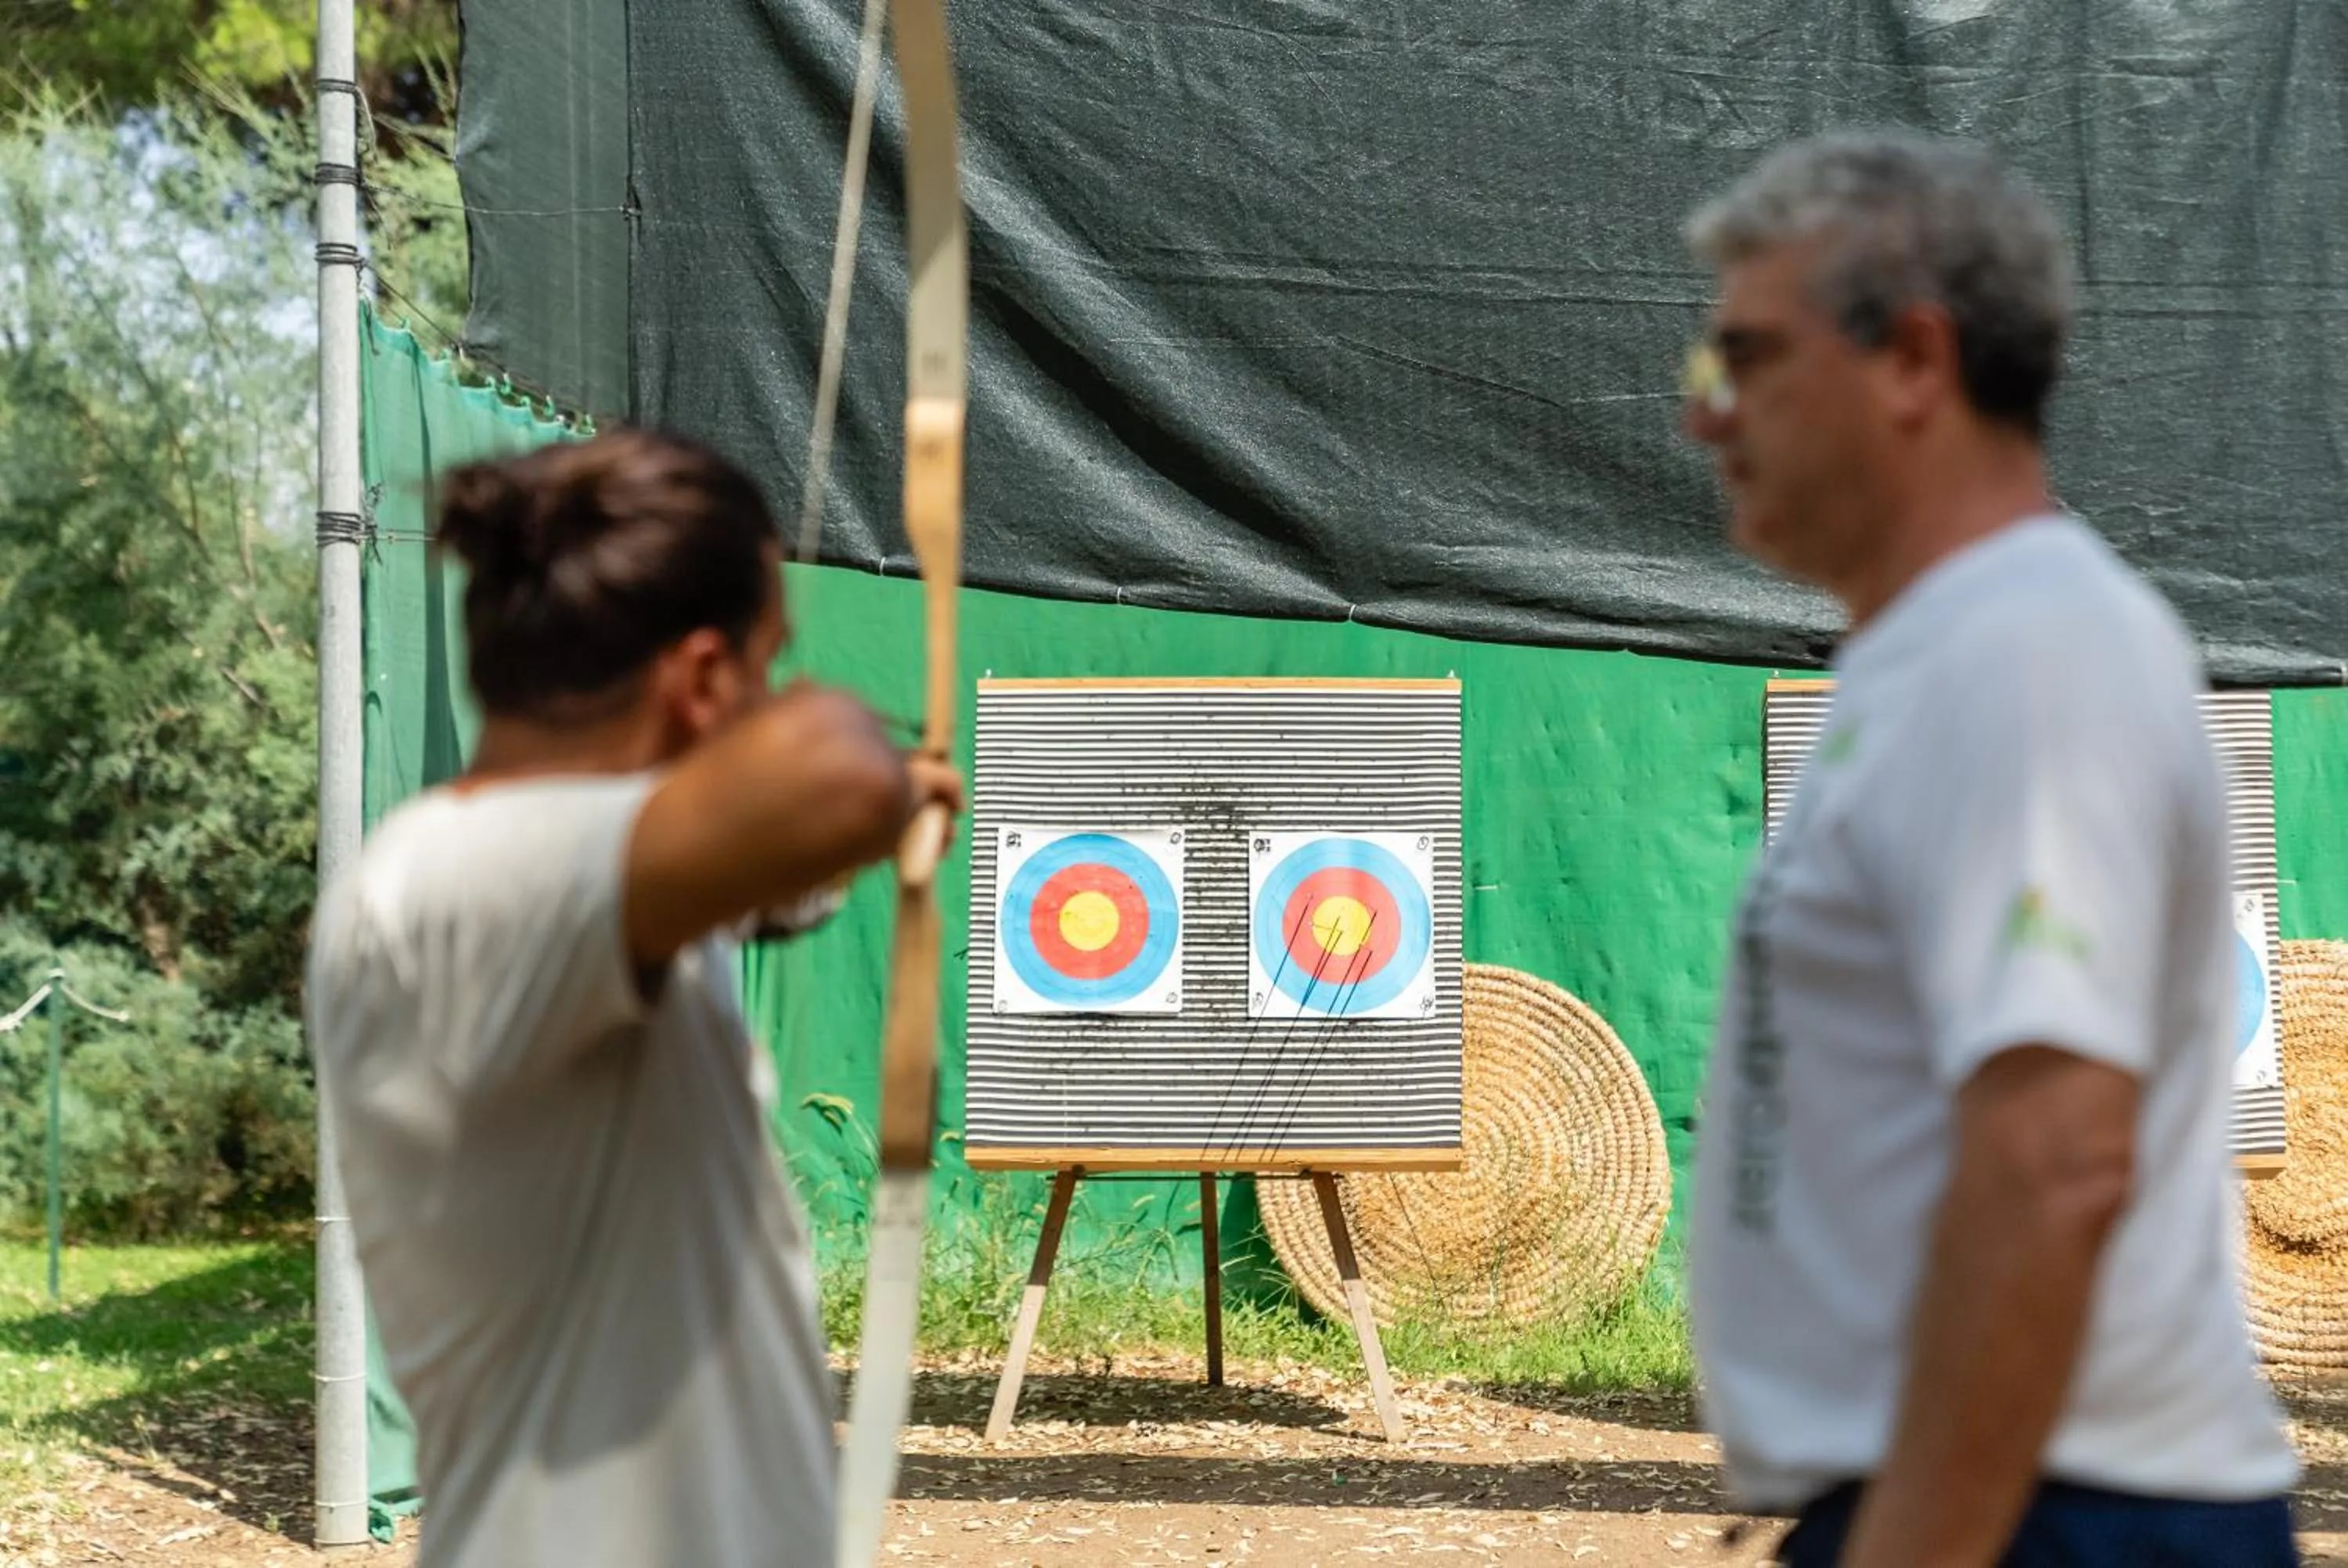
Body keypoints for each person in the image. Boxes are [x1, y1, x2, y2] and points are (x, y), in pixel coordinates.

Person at [1679, 131, 2301, 1566]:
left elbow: (2054, 1155)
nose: (1707, 419)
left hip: (2049, 1505)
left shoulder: (2025, 659)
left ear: (1911, 361)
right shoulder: (1947, 654)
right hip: (2009, 1490)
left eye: (1748, 362)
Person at [304, 429, 960, 1567]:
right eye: (768, 664)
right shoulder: (464, 884)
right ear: (705, 681)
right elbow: (836, 776)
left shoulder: (587, 894)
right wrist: (885, 779)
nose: (775, 695)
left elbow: (759, 885)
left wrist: (844, 834)